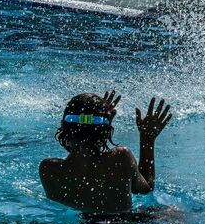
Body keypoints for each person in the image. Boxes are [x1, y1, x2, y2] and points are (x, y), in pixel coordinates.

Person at [39, 91, 173, 214]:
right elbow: (146, 189)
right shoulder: (120, 158)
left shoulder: (48, 170)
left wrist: (103, 124)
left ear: (63, 126)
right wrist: (147, 139)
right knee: (173, 212)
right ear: (106, 131)